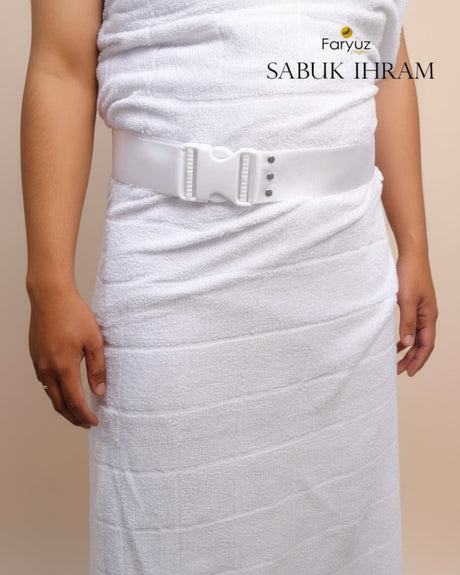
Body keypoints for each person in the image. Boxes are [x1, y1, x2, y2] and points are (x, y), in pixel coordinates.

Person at [21, 1, 438, 573]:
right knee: (170, 530)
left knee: (340, 530)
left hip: (340, 279)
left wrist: (414, 246)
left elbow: (381, 62)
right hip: (176, 266)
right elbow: (60, 70)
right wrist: (48, 284)